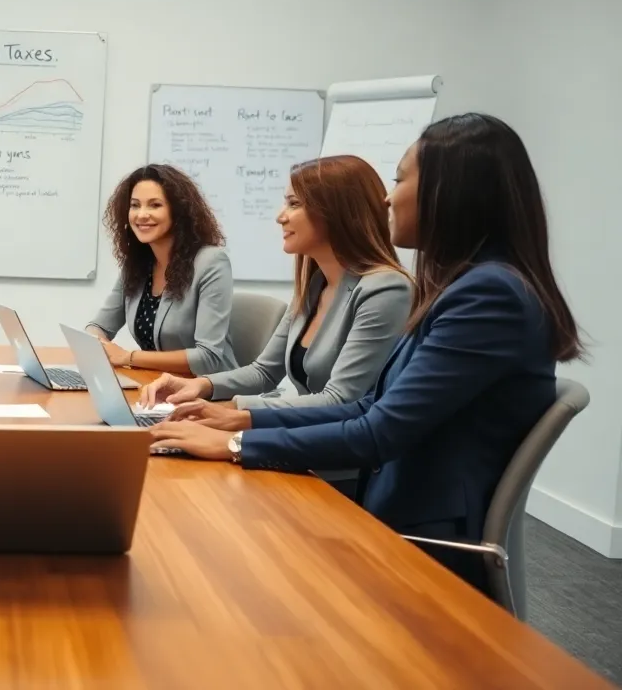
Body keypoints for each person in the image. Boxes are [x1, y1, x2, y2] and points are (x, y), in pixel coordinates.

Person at [150, 114, 583, 597]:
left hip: (421, 540)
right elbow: (366, 407)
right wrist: (233, 424)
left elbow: (379, 433)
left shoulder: (488, 296)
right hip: (392, 509)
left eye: (400, 179)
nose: (387, 197)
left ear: (449, 192)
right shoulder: (465, 287)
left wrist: (234, 445)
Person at [139, 156, 412, 411]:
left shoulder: (385, 290)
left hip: (340, 455)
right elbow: (264, 372)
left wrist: (234, 411)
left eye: (294, 204)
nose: (280, 216)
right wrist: (200, 385)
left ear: (336, 212)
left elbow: (340, 399)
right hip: (302, 438)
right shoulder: (315, 285)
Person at [86, 164, 237, 376]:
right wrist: (95, 342)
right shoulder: (138, 265)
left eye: (155, 205)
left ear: (178, 211)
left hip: (208, 393)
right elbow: (99, 326)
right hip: (155, 386)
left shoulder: (211, 263)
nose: (142, 215)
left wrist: (127, 357)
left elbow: (207, 357)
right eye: (135, 205)